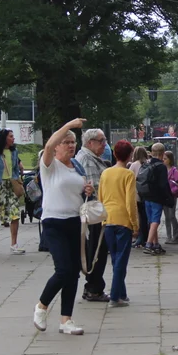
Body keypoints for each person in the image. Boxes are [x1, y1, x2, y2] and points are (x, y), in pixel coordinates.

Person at [33, 118, 92, 335]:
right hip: (54, 222)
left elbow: (78, 190)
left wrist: (87, 190)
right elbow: (48, 146)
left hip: (75, 222)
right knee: (63, 270)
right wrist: (69, 125)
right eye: (66, 141)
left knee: (74, 273)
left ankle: (66, 319)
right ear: (57, 145)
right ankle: (41, 306)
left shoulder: (76, 165)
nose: (70, 145)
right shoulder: (49, 165)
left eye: (73, 142)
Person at [98, 140, 141, 306]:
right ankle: (115, 297)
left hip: (107, 219)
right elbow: (130, 202)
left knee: (116, 259)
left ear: (114, 154)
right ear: (130, 156)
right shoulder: (128, 175)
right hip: (123, 221)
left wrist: (102, 218)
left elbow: (100, 197)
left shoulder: (106, 173)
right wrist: (135, 224)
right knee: (121, 260)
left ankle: (121, 293)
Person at [76, 128, 111, 302]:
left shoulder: (90, 157)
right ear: (90, 143)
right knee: (97, 250)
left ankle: (94, 286)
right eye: (101, 141)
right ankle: (93, 288)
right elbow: (95, 188)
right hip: (94, 213)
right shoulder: (88, 160)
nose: (104, 144)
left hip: (93, 212)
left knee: (96, 249)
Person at [139, 143, 173, 255]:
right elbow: (163, 184)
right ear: (163, 153)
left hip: (146, 195)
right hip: (156, 197)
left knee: (151, 221)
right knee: (156, 220)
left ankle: (156, 244)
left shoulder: (146, 164)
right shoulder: (161, 166)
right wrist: (169, 197)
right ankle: (149, 244)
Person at [129, 146, 149, 248]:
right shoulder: (148, 163)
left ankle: (140, 238)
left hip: (137, 194)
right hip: (147, 194)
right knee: (146, 216)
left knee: (139, 217)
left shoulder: (133, 165)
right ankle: (147, 237)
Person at [161, 151, 178, 245]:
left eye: (165, 159)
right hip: (164, 195)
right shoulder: (162, 169)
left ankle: (176, 236)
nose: (163, 160)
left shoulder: (174, 170)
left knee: (172, 215)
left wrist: (173, 191)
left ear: (170, 159)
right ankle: (169, 236)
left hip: (172, 195)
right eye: (163, 159)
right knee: (166, 217)